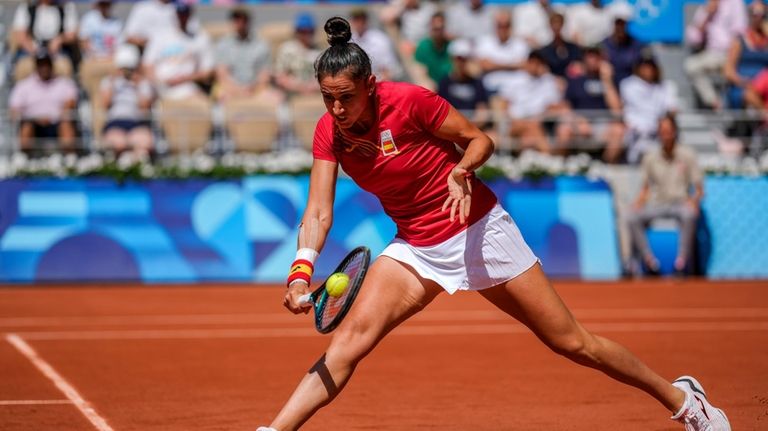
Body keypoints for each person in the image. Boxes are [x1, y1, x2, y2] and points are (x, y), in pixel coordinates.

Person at [255, 17, 731, 431]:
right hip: (416, 248)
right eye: (327, 99)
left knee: (572, 343)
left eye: (347, 98)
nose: (337, 110)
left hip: (480, 232)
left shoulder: (410, 101)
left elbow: (478, 139)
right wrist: (301, 270)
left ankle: (683, 399)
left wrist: (462, 169)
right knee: (347, 345)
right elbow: (318, 210)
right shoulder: (328, 132)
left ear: (371, 86)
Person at [627, 114, 704, 276]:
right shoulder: (650, 158)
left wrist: (694, 202)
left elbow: (699, 189)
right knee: (632, 217)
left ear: (675, 132)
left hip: (680, 202)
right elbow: (645, 188)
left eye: (668, 131)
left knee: (689, 214)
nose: (665, 135)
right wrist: (638, 203)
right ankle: (650, 262)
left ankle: (681, 263)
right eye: (662, 131)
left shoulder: (688, 155)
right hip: (657, 203)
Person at [557, 47, 624, 161]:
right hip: (579, 123)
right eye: (589, 56)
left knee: (619, 131)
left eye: (596, 56)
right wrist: (577, 121)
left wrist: (606, 80)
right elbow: (566, 107)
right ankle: (561, 166)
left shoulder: (612, 81)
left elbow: (616, 109)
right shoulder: (575, 81)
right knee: (563, 130)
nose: (592, 60)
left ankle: (606, 167)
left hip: (603, 125)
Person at [9, 50, 77, 154]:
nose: (44, 68)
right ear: (36, 66)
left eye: (47, 64)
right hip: (33, 124)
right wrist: (34, 118)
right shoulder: (23, 86)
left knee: (66, 125)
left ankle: (70, 159)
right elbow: (14, 109)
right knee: (26, 127)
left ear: (51, 65)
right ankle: (24, 159)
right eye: (41, 65)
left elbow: (70, 104)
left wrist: (52, 117)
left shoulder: (65, 84)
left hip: (56, 123)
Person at [142, 3, 213, 101]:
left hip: (184, 85)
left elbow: (206, 72)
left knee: (200, 102)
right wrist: (158, 81)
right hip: (157, 83)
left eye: (185, 13)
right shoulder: (160, 36)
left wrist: (184, 79)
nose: (182, 17)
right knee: (144, 98)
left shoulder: (200, 38)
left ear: (190, 14)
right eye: (180, 13)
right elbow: (147, 65)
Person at [684, 0, 747, 110]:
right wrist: (707, 14)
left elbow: (740, 32)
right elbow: (693, 39)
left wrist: (730, 62)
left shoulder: (736, 3)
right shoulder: (706, 8)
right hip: (712, 54)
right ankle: (715, 102)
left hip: (733, 54)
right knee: (690, 66)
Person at [498, 51, 565, 153]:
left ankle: (535, 160)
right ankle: (549, 157)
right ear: (528, 62)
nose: (535, 66)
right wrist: (510, 118)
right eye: (533, 62)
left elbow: (554, 106)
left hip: (538, 122)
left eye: (538, 63)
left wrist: (541, 117)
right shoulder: (514, 79)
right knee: (532, 128)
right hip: (515, 122)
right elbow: (503, 104)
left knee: (530, 135)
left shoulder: (548, 81)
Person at [620, 57, 679, 164]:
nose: (648, 70)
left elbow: (672, 108)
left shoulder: (665, 86)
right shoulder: (628, 85)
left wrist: (668, 118)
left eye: (650, 67)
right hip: (636, 134)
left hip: (658, 134)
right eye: (645, 67)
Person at [99, 44, 154, 157]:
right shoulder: (108, 81)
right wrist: (113, 82)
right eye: (124, 69)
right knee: (119, 144)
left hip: (137, 123)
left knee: (145, 145)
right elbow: (105, 104)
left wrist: (138, 85)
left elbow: (144, 108)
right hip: (115, 123)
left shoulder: (143, 83)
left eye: (130, 69)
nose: (127, 72)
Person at [214, 7, 277, 103]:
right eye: (236, 18)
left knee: (277, 99)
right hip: (230, 89)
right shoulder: (223, 44)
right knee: (220, 97)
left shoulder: (261, 44)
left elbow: (264, 75)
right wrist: (238, 90)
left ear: (249, 21)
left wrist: (253, 89)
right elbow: (222, 75)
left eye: (243, 19)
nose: (240, 22)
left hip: (256, 89)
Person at [437, 39, 491, 131]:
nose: (461, 62)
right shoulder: (444, 83)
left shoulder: (477, 83)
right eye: (458, 58)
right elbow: (441, 113)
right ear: (452, 59)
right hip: (452, 131)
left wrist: (468, 129)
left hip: (473, 129)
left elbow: (482, 112)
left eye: (464, 59)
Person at [723, 1, 768, 108]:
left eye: (763, 14)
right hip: (744, 86)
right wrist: (743, 82)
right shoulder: (739, 40)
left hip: (764, 86)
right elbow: (728, 71)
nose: (759, 17)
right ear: (749, 15)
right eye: (755, 13)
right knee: (750, 95)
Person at [475, 9, 530, 93]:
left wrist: (495, 64)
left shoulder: (520, 44)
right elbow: (485, 65)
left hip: (517, 88)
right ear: (495, 26)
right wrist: (513, 65)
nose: (503, 29)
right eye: (500, 25)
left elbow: (525, 65)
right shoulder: (485, 42)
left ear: (511, 26)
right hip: (492, 88)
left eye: (506, 25)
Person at [11, 0, 78, 65]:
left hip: (58, 51)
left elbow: (71, 35)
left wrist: (59, 40)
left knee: (63, 66)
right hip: (32, 50)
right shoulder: (26, 7)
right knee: (25, 65)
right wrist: (32, 49)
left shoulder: (66, 7)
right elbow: (20, 35)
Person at [601, 6, 651, 87]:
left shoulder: (638, 46)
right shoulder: (603, 45)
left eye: (624, 23)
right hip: (609, 87)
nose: (621, 27)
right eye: (618, 23)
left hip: (632, 89)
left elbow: (648, 69)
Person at [274, 12, 322, 96]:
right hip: (290, 93)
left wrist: (312, 87)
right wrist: (298, 87)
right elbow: (279, 77)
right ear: (296, 31)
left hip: (313, 93)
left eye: (309, 31)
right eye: (302, 31)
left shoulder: (319, 52)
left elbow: (324, 78)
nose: (306, 34)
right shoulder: (287, 49)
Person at [350, 8, 403, 82]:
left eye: (361, 20)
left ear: (366, 21)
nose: (358, 23)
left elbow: (389, 69)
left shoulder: (380, 39)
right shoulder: (348, 40)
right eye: (356, 20)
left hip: (378, 82)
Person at [537, 12, 582, 79]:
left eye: (559, 23)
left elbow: (579, 67)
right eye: (554, 23)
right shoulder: (544, 51)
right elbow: (543, 72)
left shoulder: (573, 48)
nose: (557, 27)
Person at [413, 12, 452, 85]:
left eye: (440, 28)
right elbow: (419, 72)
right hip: (432, 87)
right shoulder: (423, 46)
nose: (438, 32)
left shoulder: (452, 46)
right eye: (435, 29)